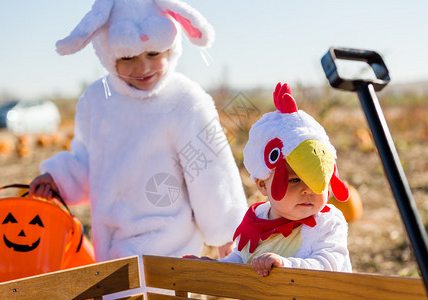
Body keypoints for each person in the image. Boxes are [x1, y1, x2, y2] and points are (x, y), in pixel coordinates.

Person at [29, 0, 247, 268]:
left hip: (173, 248)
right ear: (108, 55)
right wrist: (59, 179)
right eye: (128, 58)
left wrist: (226, 232)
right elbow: (88, 159)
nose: (143, 69)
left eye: (154, 54)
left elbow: (211, 170)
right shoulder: (97, 100)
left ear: (171, 46)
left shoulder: (185, 99)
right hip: (112, 248)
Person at [186, 82, 352, 277]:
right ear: (263, 184)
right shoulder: (257, 219)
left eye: (317, 180)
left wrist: (285, 265)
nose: (308, 190)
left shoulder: (327, 222)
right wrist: (217, 266)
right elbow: (242, 258)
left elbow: (329, 264)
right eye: (294, 180)